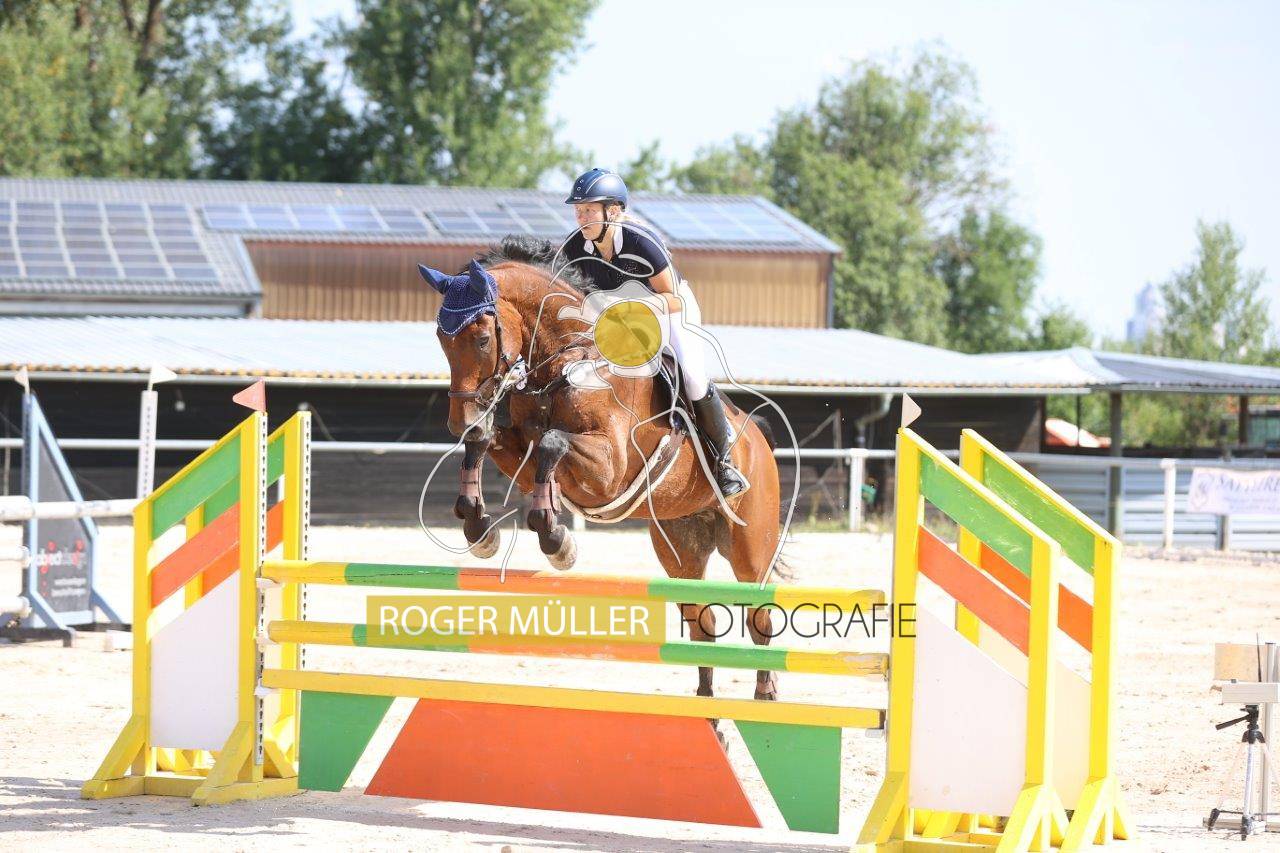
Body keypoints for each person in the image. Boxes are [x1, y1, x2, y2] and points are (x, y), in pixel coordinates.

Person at [558, 167, 749, 497]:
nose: (581, 217)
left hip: (669, 311)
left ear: (612, 211)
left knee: (692, 375)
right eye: (578, 210)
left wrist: (625, 306)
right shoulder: (575, 248)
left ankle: (724, 459)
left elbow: (672, 299)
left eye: (588, 210)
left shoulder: (640, 242)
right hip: (617, 320)